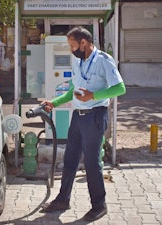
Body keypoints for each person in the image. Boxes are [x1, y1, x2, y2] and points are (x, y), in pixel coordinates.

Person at [40, 26, 126, 222]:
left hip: (95, 117)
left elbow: (120, 88)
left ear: (83, 43)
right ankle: (63, 199)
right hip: (77, 117)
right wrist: (54, 103)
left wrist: (93, 95)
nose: (71, 49)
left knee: (91, 163)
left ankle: (99, 206)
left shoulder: (103, 60)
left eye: (72, 45)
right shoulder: (78, 62)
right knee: (70, 159)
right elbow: (73, 92)